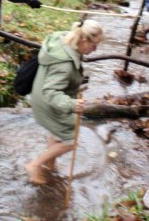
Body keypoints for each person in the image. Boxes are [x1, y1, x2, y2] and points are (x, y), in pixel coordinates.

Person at [25, 19, 105, 185]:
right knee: (70, 142)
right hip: (47, 101)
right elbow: (51, 92)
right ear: (84, 40)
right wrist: (72, 104)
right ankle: (34, 165)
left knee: (57, 133)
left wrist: (75, 88)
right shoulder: (65, 64)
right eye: (94, 45)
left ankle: (50, 166)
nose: (95, 49)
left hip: (40, 91)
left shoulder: (65, 39)